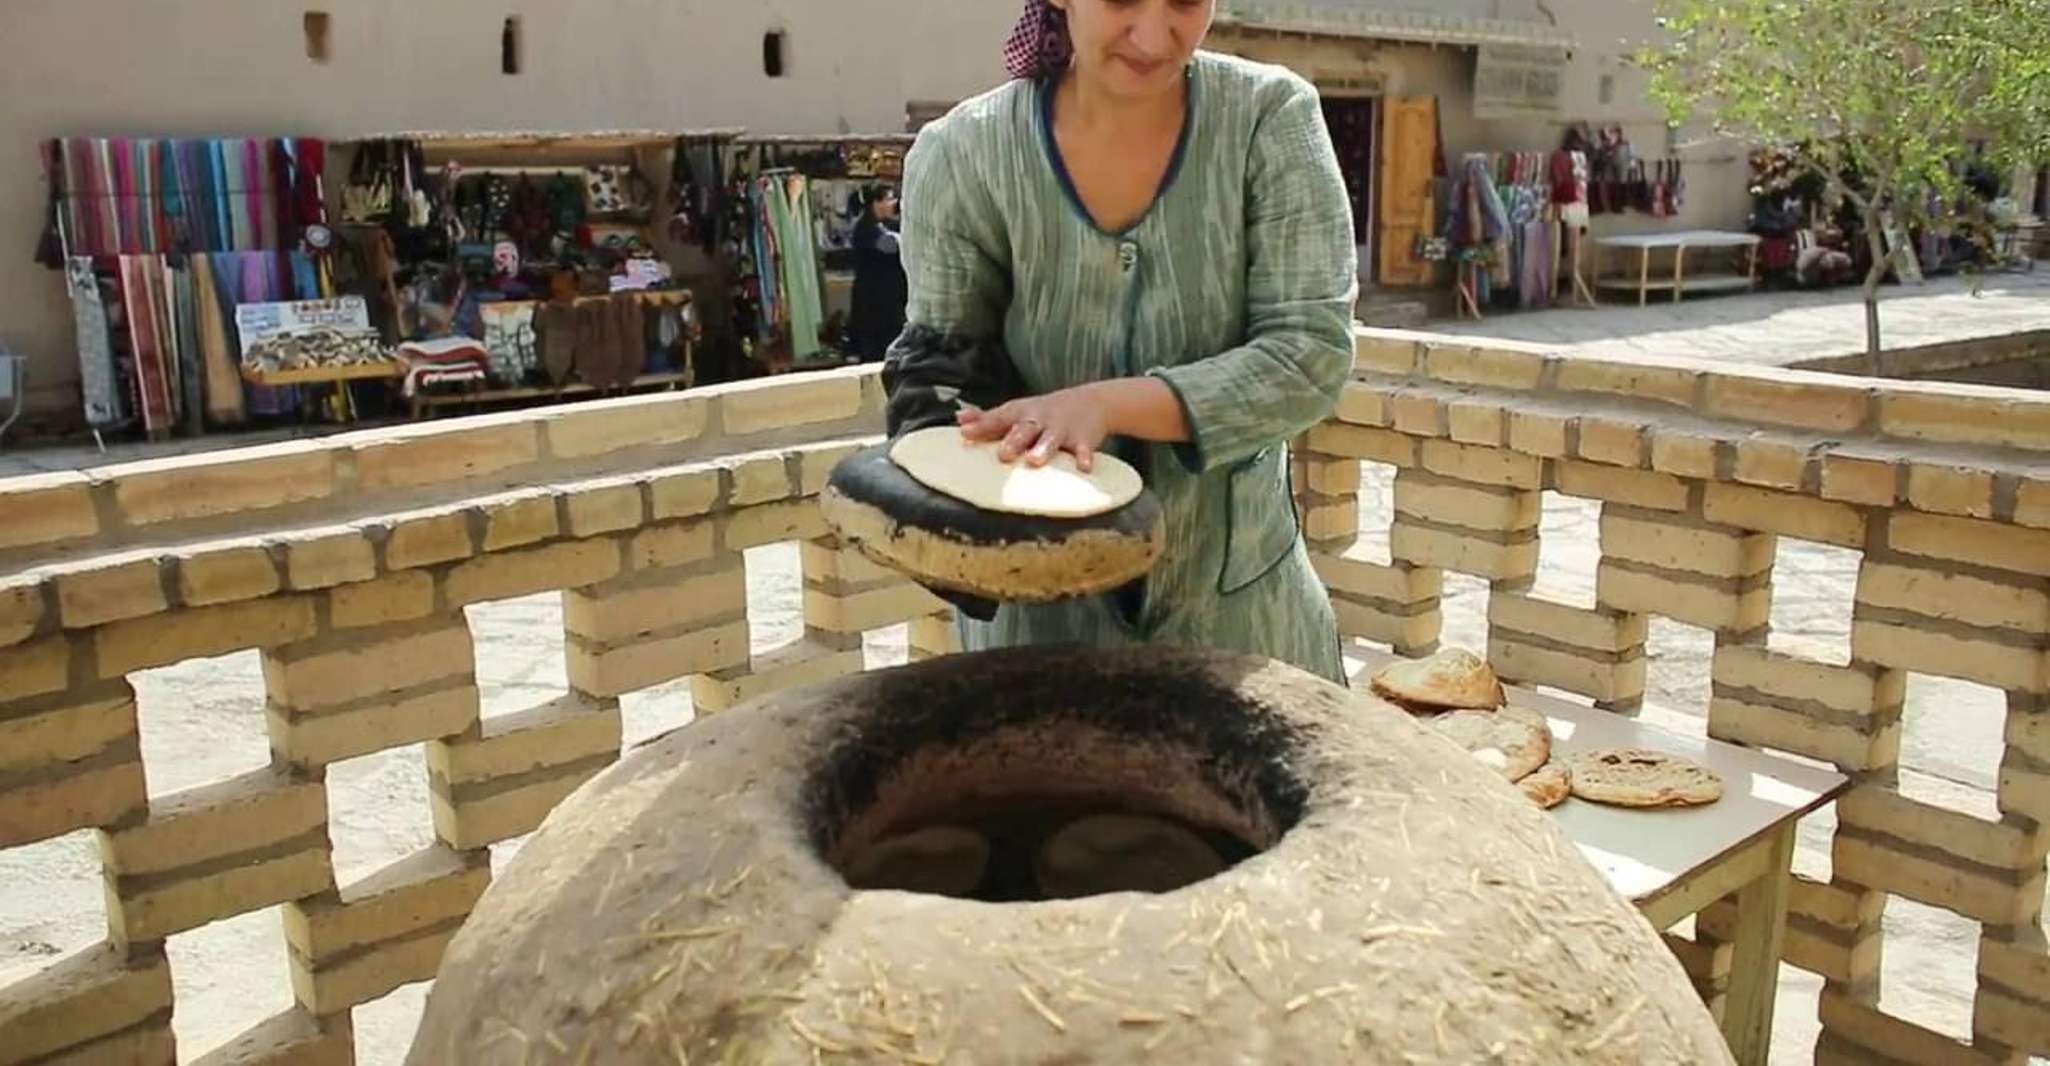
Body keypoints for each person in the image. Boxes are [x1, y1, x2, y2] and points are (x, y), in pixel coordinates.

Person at [881, 0, 1358, 682]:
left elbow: (1310, 356)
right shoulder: (967, 153)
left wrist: (1106, 404)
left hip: (1245, 629)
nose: (1153, 35)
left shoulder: (1268, 121)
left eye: (1187, 3)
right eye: (1123, 0)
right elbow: (946, 360)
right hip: (1040, 641)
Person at [847, 185, 909, 362]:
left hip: (890, 300)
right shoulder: (866, 227)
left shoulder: (887, 224)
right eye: (889, 199)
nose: (893, 203)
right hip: (873, 301)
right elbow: (890, 245)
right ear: (876, 203)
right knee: (875, 351)